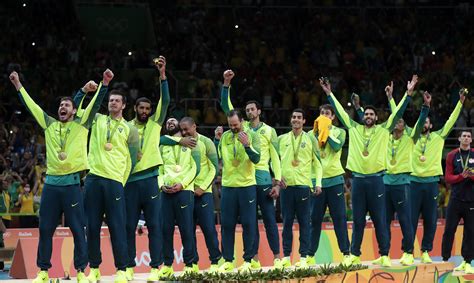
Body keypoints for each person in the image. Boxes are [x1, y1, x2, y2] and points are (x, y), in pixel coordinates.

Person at [9, 70, 111, 283]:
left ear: (75, 111)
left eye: (67, 105)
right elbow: (31, 106)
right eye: (60, 105)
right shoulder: (50, 124)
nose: (62, 108)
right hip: (51, 186)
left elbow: (95, 103)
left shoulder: (82, 125)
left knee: (77, 229)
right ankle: (43, 272)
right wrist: (18, 84)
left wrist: (105, 83)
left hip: (73, 185)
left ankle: (81, 271)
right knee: (45, 229)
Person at [321, 76, 412, 266]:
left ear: (376, 117)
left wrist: (407, 95)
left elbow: (398, 113)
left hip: (377, 180)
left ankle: (384, 254)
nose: (369, 116)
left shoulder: (383, 130)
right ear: (362, 116)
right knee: (358, 220)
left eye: (372, 114)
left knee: (380, 219)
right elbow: (339, 110)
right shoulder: (353, 128)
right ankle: (355, 254)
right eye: (366, 114)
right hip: (358, 181)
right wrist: (329, 93)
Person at [354, 81, 431, 266]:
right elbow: (367, 121)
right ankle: (384, 253)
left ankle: (409, 252)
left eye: (401, 121)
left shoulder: (411, 137)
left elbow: (418, 121)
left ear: (404, 126)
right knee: (383, 221)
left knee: (405, 219)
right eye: (395, 120)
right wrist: (361, 108)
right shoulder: (384, 136)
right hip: (384, 182)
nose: (397, 121)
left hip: (402, 182)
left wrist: (425, 107)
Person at [219, 70, 282, 269]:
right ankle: (252, 258)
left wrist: (277, 181)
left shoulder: (268, 131)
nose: (250, 112)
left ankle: (277, 256)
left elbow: (275, 158)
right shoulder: (241, 128)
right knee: (249, 221)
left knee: (269, 220)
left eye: (253, 109)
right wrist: (226, 85)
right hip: (243, 180)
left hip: (262, 178)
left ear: (259, 111)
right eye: (247, 110)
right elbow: (226, 107)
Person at [85, 87, 139, 282]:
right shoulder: (97, 119)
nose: (113, 103)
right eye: (111, 100)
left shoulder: (130, 129)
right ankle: (94, 269)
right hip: (93, 178)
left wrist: (120, 182)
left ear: (124, 105)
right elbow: (83, 110)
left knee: (117, 226)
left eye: (117, 101)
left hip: (115, 181)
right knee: (92, 226)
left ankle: (122, 269)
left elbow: (131, 161)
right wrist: (102, 87)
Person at [123, 56, 169, 281]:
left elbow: (166, 101)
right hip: (130, 182)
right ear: (134, 108)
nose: (144, 111)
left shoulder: (155, 124)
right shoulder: (125, 126)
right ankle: (129, 266)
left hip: (151, 179)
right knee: (129, 225)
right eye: (141, 107)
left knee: (154, 225)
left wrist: (162, 76)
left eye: (148, 108)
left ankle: (155, 267)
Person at [410, 88, 465, 263]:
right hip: (413, 182)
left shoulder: (439, 137)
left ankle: (426, 251)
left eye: (426, 122)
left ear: (431, 125)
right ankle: (408, 252)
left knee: (431, 220)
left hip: (431, 183)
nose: (424, 124)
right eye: (422, 122)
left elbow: (451, 120)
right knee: (410, 219)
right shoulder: (412, 137)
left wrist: (460, 102)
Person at [215, 110, 260, 272]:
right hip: (228, 187)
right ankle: (228, 260)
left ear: (242, 121)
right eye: (230, 125)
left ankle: (248, 259)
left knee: (248, 224)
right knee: (227, 224)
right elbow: (218, 155)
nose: (233, 128)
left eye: (235, 124)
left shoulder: (252, 135)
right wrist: (216, 139)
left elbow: (257, 159)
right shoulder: (226, 136)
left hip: (247, 186)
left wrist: (247, 145)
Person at [277, 109, 322, 268]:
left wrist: (318, 183)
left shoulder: (311, 140)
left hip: (304, 186)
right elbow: (273, 159)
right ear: (291, 120)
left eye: (299, 118)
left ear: (304, 121)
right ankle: (286, 257)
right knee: (287, 222)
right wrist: (277, 175)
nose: (296, 119)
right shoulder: (281, 139)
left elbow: (318, 163)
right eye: (294, 117)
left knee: (304, 222)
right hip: (286, 187)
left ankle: (303, 257)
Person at [308, 104, 351, 267]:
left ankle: (346, 253)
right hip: (317, 182)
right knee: (315, 219)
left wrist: (324, 130)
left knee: (339, 218)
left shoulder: (340, 132)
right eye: (321, 113)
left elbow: (337, 146)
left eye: (327, 114)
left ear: (333, 117)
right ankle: (310, 255)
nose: (324, 116)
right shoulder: (311, 134)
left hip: (334, 180)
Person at [157, 117, 201, 277]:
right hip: (166, 191)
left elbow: (195, 168)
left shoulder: (192, 143)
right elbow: (159, 168)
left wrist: (182, 184)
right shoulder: (162, 145)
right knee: (165, 229)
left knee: (186, 228)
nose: (170, 123)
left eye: (173, 121)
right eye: (167, 122)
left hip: (184, 191)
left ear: (180, 126)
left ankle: (190, 264)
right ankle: (167, 264)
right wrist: (161, 184)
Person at [180, 117, 222, 272]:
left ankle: (216, 261)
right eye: (182, 130)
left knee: (209, 229)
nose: (184, 132)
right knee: (187, 230)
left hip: (203, 193)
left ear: (194, 126)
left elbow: (214, 168)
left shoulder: (206, 142)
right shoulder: (180, 143)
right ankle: (191, 264)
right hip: (186, 193)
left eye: (187, 129)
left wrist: (203, 188)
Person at [442, 130, 474, 274]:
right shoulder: (451, 155)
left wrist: (471, 176)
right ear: (459, 139)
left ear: (471, 140)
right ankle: (445, 259)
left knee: (470, 232)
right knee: (449, 230)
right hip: (455, 199)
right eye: (464, 136)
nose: (466, 138)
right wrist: (461, 176)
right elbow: (448, 178)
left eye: (468, 136)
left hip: (471, 200)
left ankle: (467, 262)